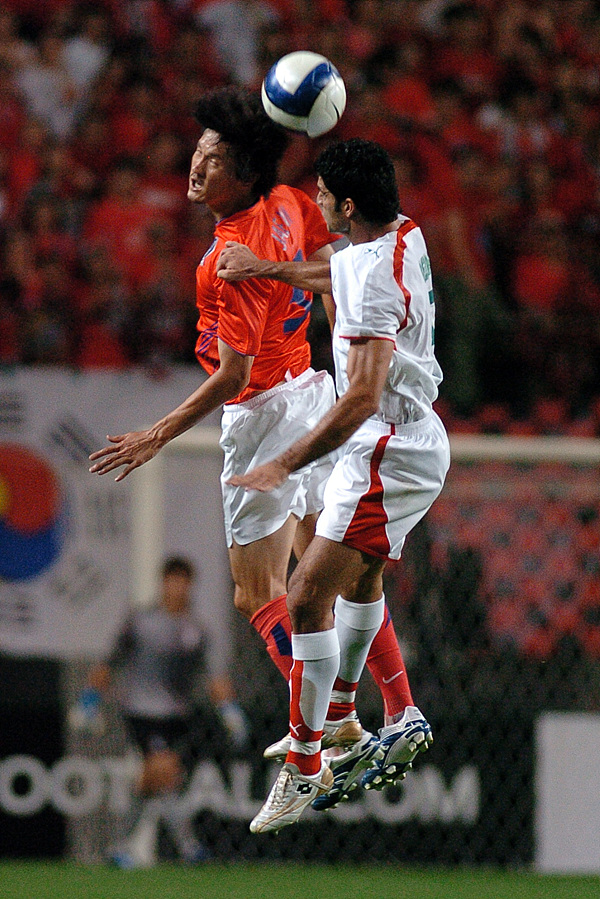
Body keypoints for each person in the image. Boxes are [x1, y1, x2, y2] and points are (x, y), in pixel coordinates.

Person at [88, 86, 426, 788]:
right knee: (333, 568)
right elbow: (335, 272)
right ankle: (396, 708)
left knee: (257, 592)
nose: (195, 165)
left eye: (212, 158)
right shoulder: (294, 204)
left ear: (242, 173)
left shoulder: (228, 256)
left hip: (263, 415)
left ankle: (325, 727)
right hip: (312, 390)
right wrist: (346, 342)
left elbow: (233, 374)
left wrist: (157, 433)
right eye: (197, 150)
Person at [218, 137, 451, 832]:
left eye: (323, 194)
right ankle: (376, 714)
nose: (315, 201)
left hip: (386, 447)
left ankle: (306, 763)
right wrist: (264, 266)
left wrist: (286, 462)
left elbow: (360, 397)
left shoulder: (375, 284)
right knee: (360, 581)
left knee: (305, 596)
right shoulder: (402, 234)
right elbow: (333, 271)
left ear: (348, 205)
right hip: (398, 439)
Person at [74, 555, 248, 866]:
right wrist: (89, 700)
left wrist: (229, 711)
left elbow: (214, 677)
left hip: (178, 716)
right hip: (142, 712)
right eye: (172, 581)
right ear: (163, 584)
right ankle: (189, 847)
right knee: (164, 771)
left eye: (183, 582)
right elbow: (110, 662)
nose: (177, 588)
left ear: (190, 586)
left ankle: (118, 847)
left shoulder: (196, 630)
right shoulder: (141, 622)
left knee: (154, 782)